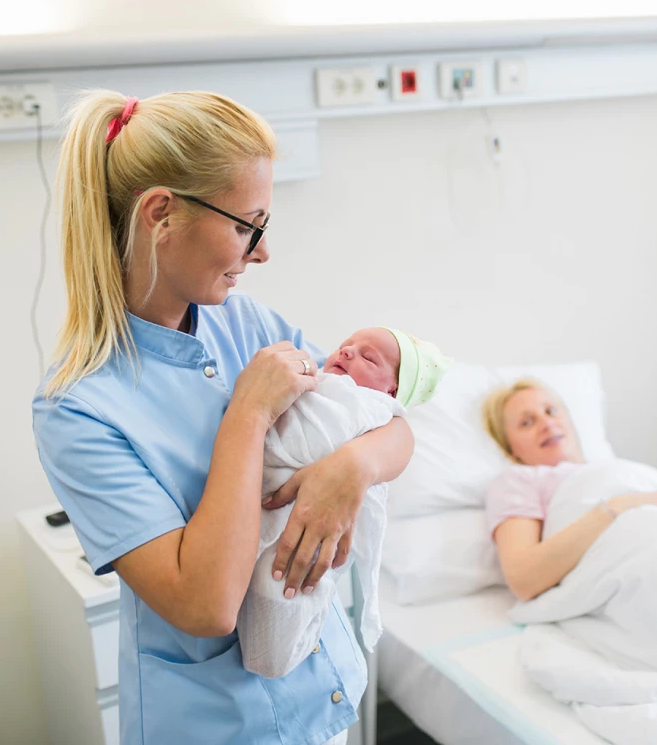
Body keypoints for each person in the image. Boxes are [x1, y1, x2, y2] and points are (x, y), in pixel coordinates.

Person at [32, 91, 414, 745]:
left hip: (324, 697)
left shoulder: (248, 323)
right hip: (222, 726)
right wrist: (248, 412)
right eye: (246, 226)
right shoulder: (79, 408)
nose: (260, 253)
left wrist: (351, 469)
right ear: (162, 214)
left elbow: (388, 421)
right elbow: (205, 605)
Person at [242, 327, 451, 678]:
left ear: (392, 392)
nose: (347, 352)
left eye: (368, 357)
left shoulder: (369, 408)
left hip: (294, 528)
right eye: (346, 346)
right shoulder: (319, 379)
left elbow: (320, 435)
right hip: (250, 514)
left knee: (280, 582)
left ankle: (275, 652)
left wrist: (351, 465)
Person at [481, 378, 657, 601]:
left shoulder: (614, 469)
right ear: (509, 447)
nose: (547, 424)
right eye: (527, 422)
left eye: (551, 411)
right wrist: (614, 508)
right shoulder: (518, 480)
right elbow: (524, 578)